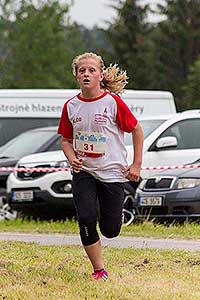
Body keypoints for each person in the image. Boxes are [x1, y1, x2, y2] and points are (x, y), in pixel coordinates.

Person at [57, 52, 143, 281]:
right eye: (82, 70)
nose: (86, 73)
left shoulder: (112, 102)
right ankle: (99, 269)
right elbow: (65, 139)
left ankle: (115, 217)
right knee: (85, 217)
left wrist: (136, 164)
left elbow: (136, 130)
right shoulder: (71, 106)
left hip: (113, 173)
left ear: (100, 74)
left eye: (91, 70)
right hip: (83, 171)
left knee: (110, 230)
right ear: (76, 76)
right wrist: (70, 157)